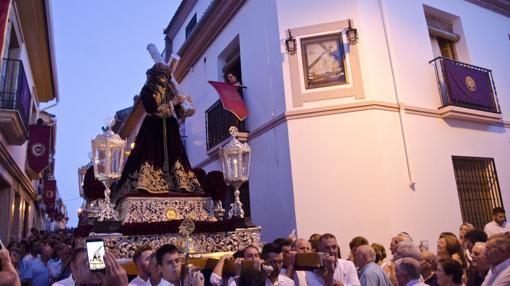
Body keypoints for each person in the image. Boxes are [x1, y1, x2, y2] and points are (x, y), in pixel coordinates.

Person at [115, 63, 203, 200]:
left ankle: (176, 184)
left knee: (175, 156)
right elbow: (152, 109)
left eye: (165, 76)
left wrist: (185, 105)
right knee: (150, 155)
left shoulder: (171, 90)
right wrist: (172, 103)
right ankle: (149, 184)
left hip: (170, 129)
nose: (163, 79)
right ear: (155, 76)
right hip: (153, 128)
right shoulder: (148, 90)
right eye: (161, 76)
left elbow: (178, 113)